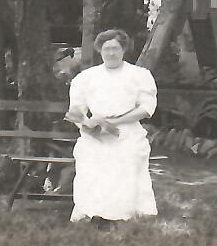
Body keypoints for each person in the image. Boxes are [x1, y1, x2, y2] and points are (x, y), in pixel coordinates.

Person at [66, 29, 158, 228]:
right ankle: (94, 212)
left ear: (123, 49)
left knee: (124, 162)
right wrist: (87, 124)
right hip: (94, 135)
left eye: (115, 48)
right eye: (107, 49)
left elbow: (146, 108)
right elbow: (75, 109)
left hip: (127, 133)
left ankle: (121, 213)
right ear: (100, 51)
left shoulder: (139, 75)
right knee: (91, 163)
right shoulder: (86, 77)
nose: (111, 53)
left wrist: (114, 123)